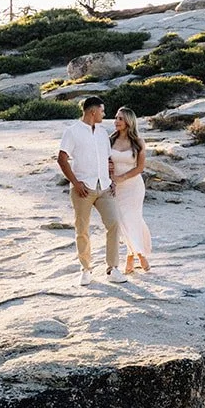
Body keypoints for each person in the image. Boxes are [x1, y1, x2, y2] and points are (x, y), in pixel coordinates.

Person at [57, 96, 124, 285]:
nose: (104, 114)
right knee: (82, 229)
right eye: (102, 111)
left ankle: (112, 269)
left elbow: (108, 159)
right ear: (93, 111)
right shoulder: (72, 132)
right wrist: (75, 183)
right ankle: (85, 269)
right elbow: (62, 159)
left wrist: (111, 179)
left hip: (104, 187)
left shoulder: (103, 133)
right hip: (83, 189)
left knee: (114, 223)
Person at [109, 106, 151, 274]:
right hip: (114, 187)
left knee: (132, 219)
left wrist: (122, 177)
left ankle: (134, 256)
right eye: (116, 118)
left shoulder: (138, 142)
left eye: (120, 119)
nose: (116, 121)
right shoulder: (110, 140)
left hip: (133, 186)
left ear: (128, 121)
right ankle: (135, 254)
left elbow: (140, 167)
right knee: (122, 221)